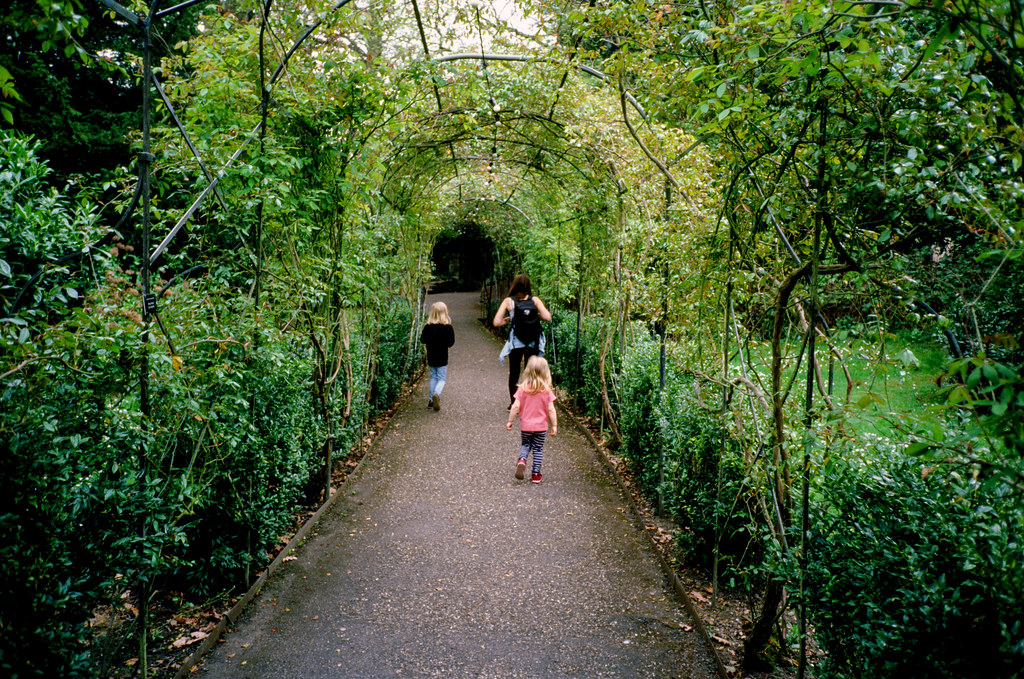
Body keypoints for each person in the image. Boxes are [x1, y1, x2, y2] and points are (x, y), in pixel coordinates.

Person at [492, 274, 552, 409]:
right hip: (533, 341)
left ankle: (514, 403)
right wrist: (536, 315)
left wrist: (506, 320)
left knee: (514, 372)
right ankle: (528, 402)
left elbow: (496, 322)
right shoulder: (535, 300)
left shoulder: (509, 301)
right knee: (530, 372)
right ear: (528, 285)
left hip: (516, 341)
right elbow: (547, 317)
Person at [506, 355, 557, 483]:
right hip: (541, 427)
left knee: (525, 445)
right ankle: (536, 474)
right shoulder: (546, 391)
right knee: (538, 449)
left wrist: (510, 421)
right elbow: (551, 409)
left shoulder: (522, 390)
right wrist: (554, 425)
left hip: (526, 426)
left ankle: (522, 460)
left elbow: (515, 406)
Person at [420, 301, 455, 411]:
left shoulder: (428, 327)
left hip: (431, 357)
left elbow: (422, 340)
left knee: (433, 377)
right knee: (442, 379)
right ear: (445, 313)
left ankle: (431, 400)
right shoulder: (448, 328)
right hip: (442, 357)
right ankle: (437, 394)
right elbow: (450, 343)